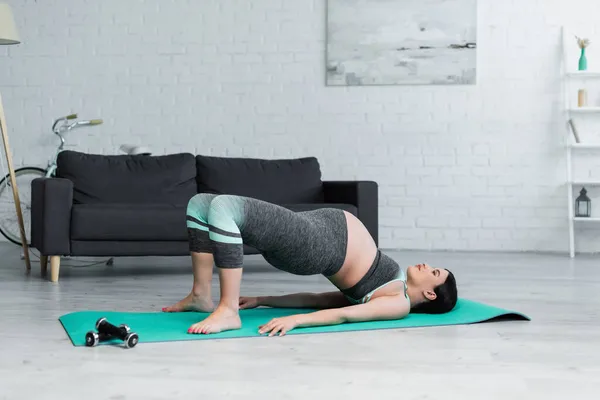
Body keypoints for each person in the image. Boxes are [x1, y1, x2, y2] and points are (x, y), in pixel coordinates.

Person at [163, 193, 458, 336]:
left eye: (434, 272)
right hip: (314, 229)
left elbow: (344, 315)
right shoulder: (393, 286)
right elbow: (320, 299)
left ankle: (228, 311)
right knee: (200, 204)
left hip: (314, 244)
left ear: (431, 294)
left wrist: (295, 321)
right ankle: (200, 296)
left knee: (222, 207)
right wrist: (265, 300)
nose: (426, 264)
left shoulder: (398, 304)